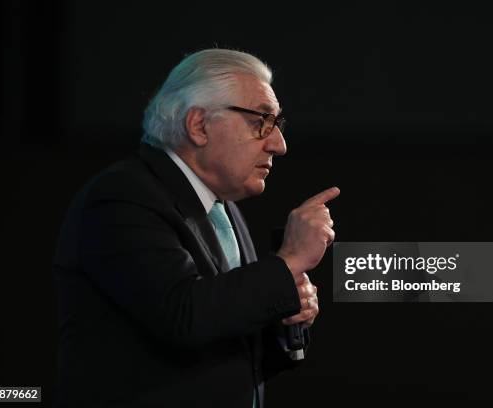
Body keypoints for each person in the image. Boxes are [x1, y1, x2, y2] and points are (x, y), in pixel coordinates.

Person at [53, 48, 339, 407]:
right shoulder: (121, 198)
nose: (279, 144)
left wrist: (285, 315)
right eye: (261, 121)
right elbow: (184, 317)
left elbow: (228, 347)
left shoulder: (223, 207)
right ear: (199, 125)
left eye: (278, 124)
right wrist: (288, 262)